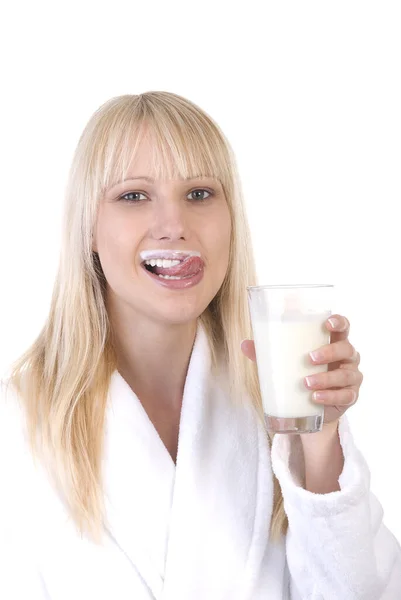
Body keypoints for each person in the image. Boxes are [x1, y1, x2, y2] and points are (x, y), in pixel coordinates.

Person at [0, 91, 400, 600]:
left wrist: (318, 446)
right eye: (133, 195)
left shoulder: (272, 409)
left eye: (199, 194)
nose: (174, 226)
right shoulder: (16, 426)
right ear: (89, 230)